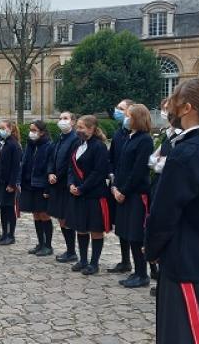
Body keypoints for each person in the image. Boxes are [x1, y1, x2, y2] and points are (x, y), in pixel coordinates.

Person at [145, 78, 199, 344]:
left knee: (188, 335)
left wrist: (152, 250)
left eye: (173, 100)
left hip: (188, 263)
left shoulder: (186, 154)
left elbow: (164, 215)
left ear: (186, 108)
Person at [112, 104, 154, 288]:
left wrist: (124, 190)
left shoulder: (144, 140)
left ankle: (142, 273)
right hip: (123, 192)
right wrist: (115, 187)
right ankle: (136, 271)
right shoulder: (130, 137)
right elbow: (121, 166)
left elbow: (138, 170)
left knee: (137, 234)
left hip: (136, 194)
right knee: (128, 233)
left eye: (128, 115)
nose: (126, 118)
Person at [65, 115, 110, 276]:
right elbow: (70, 167)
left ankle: (94, 263)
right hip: (77, 193)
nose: (78, 130)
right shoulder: (78, 145)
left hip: (93, 194)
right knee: (81, 228)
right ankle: (83, 260)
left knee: (95, 229)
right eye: (78, 127)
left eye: (82, 127)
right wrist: (71, 184)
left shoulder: (99, 147)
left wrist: (82, 188)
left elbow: (99, 172)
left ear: (91, 129)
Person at [147, 99, 181, 296]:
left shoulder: (179, 137)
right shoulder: (165, 134)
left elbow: (166, 164)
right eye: (163, 108)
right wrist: (159, 162)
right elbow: (152, 160)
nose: (164, 112)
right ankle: (160, 277)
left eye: (167, 109)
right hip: (158, 184)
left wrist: (160, 163)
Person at [47, 111, 80, 263]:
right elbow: (52, 158)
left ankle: (72, 250)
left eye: (65, 118)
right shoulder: (59, 138)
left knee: (66, 217)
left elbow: (71, 163)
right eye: (60, 118)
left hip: (66, 183)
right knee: (60, 217)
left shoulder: (75, 139)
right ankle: (69, 249)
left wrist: (58, 176)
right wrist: (50, 173)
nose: (62, 121)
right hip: (55, 183)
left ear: (73, 122)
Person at [108, 98, 135, 274]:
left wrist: (124, 187)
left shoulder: (139, 136)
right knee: (121, 227)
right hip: (116, 185)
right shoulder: (118, 133)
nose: (117, 111)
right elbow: (111, 158)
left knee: (135, 229)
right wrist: (111, 176)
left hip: (131, 188)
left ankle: (149, 266)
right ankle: (125, 261)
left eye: (121, 108)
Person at [19, 120, 53, 255]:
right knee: (35, 214)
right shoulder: (30, 144)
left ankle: (48, 245)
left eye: (34, 130)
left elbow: (49, 166)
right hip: (29, 184)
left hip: (41, 184)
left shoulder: (49, 146)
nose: (31, 133)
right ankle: (40, 243)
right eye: (30, 130)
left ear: (42, 132)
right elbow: (25, 163)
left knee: (44, 214)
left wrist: (47, 188)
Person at [0, 119, 23, 246]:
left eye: (3, 128)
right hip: (0, 181)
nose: (1, 130)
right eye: (0, 128)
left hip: (9, 183)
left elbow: (16, 167)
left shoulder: (14, 145)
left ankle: (11, 235)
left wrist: (12, 184)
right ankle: (4, 233)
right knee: (3, 208)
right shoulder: (2, 143)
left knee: (10, 209)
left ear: (10, 129)